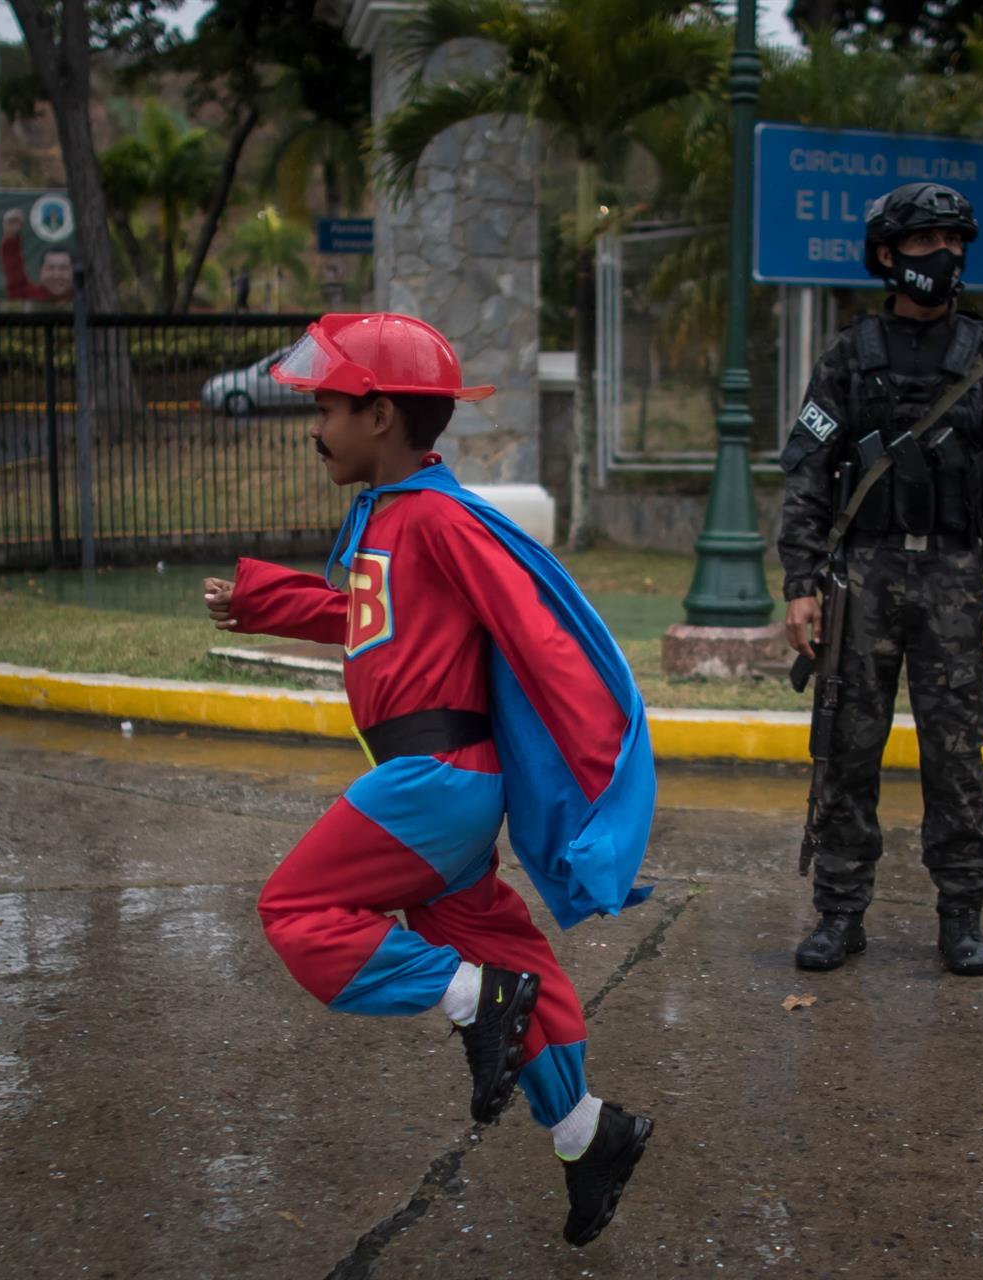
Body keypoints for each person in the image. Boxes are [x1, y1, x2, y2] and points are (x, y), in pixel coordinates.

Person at [202, 312, 656, 1246]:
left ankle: (469, 999)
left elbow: (542, 635)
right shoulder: (394, 514)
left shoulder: (441, 517)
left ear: (377, 416)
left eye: (326, 405)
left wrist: (598, 770)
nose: (314, 424)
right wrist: (261, 600)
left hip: (436, 778)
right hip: (434, 784)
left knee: (296, 910)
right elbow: (364, 615)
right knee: (516, 964)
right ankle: (587, 1133)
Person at [777, 182, 983, 977]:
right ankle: (839, 913)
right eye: (926, 242)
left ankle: (960, 916)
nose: (944, 256)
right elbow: (809, 475)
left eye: (953, 241)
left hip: (956, 583)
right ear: (888, 256)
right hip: (863, 580)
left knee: (955, 757)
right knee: (847, 751)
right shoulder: (849, 357)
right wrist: (800, 583)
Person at [0, 209, 75, 303]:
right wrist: (10, 237)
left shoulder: (90, 297)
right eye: (51, 268)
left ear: (73, 272)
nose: (57, 275)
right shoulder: (29, 297)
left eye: (63, 268)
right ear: (41, 272)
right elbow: (15, 279)